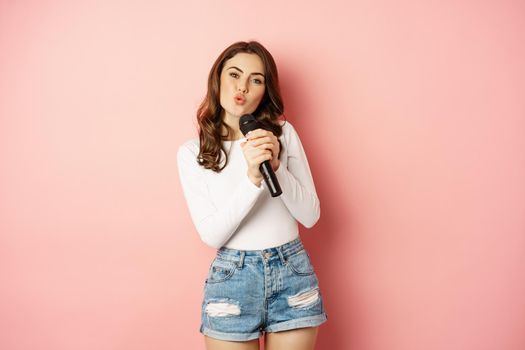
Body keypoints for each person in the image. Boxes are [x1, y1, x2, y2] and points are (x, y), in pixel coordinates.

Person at [177, 40, 327, 350]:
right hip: (233, 279)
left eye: (255, 79)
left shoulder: (283, 135)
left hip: (292, 272)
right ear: (217, 78)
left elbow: (310, 216)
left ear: (264, 90)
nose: (242, 86)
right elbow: (212, 235)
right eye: (234, 74)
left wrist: (276, 166)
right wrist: (252, 179)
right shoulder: (193, 153)